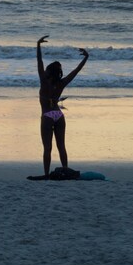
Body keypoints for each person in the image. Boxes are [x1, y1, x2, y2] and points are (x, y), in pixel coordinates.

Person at [36, 35, 88, 179]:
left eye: (46, 71)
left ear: (49, 73)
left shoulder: (44, 82)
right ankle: (65, 170)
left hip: (47, 116)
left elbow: (39, 62)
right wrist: (86, 57)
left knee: (47, 148)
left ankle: (46, 174)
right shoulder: (61, 83)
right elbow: (76, 71)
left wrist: (38, 45)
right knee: (61, 146)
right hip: (58, 115)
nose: (44, 71)